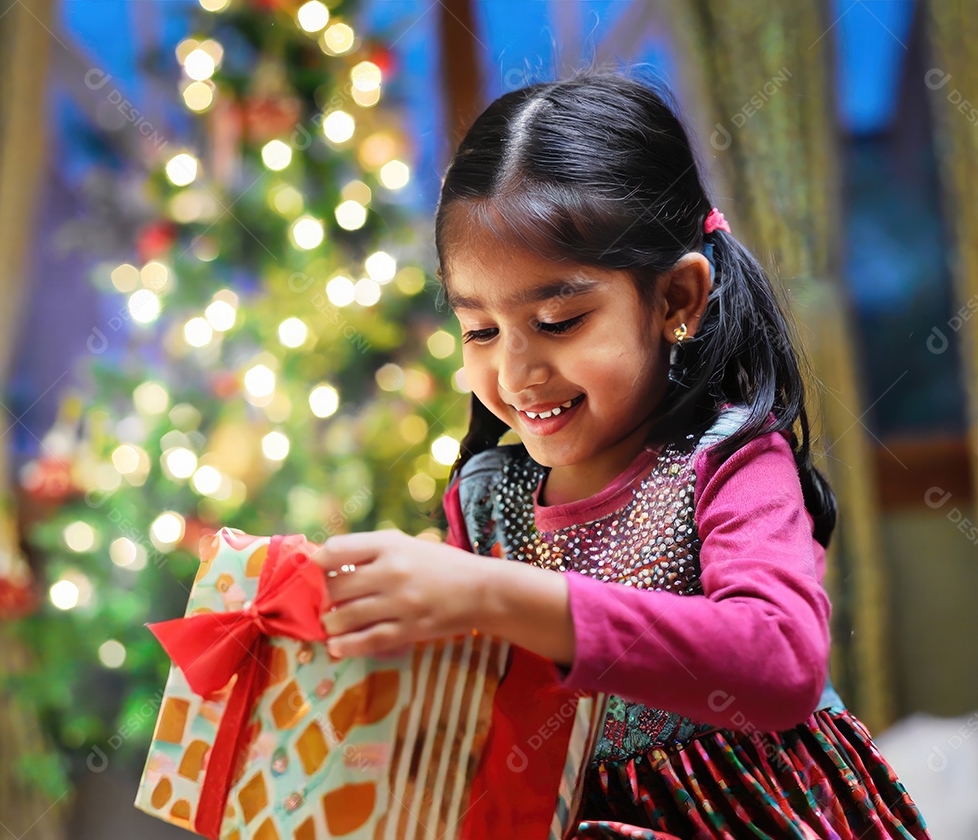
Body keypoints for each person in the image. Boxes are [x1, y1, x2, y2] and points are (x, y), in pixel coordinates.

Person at [311, 72, 929, 838]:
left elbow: (781, 665)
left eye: (560, 320)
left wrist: (499, 596)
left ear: (676, 300)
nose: (515, 372)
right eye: (480, 330)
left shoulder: (730, 462)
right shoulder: (483, 503)